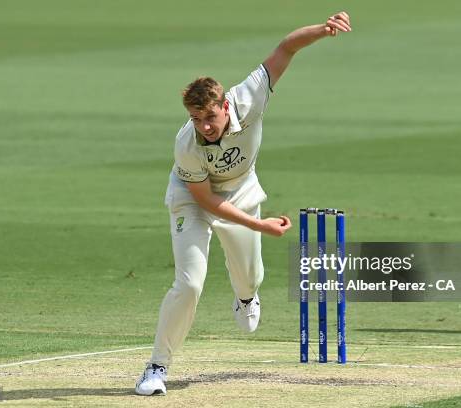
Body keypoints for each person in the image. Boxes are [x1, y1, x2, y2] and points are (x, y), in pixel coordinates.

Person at [135, 11, 352, 396]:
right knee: (189, 284)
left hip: (241, 190)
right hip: (193, 199)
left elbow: (286, 48)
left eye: (209, 116)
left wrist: (323, 29)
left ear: (226, 106)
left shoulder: (249, 96)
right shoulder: (186, 145)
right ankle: (156, 367)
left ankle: (246, 298)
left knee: (249, 277)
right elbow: (206, 201)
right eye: (195, 117)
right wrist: (262, 226)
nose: (203, 126)